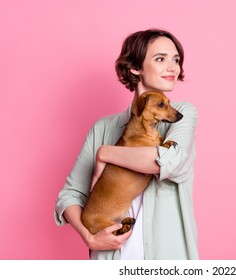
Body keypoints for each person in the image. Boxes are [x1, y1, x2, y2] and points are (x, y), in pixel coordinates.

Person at [54, 29, 198, 260]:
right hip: (112, 257)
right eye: (160, 59)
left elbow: (168, 161)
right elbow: (70, 195)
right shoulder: (103, 128)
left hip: (167, 257)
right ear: (135, 67)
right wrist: (89, 237)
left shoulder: (182, 114)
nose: (172, 67)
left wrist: (106, 153)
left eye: (176, 60)